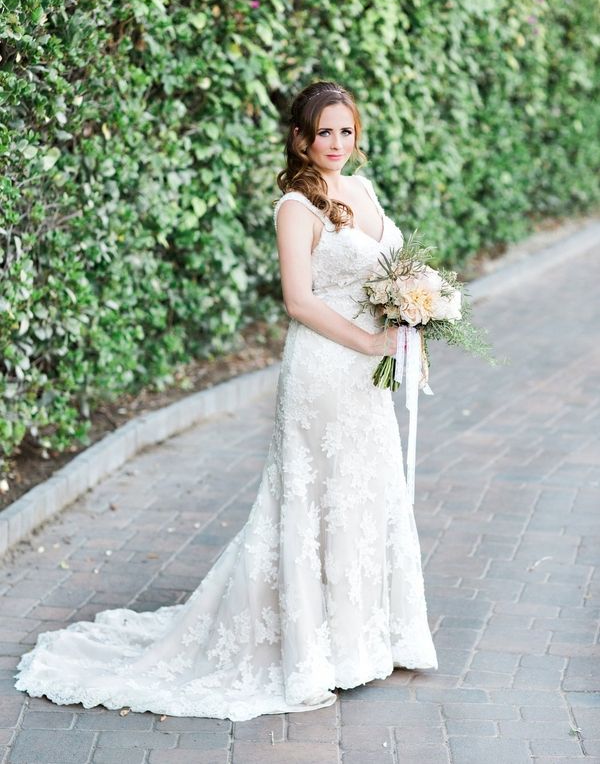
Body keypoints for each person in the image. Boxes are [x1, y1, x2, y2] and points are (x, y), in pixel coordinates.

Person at [14, 80, 437, 722]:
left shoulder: (364, 191)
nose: (336, 143)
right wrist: (372, 340)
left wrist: (414, 310)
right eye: (323, 132)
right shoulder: (297, 205)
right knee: (315, 498)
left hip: (365, 376)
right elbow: (299, 301)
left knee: (366, 492)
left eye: (345, 131)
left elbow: (383, 273)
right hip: (324, 368)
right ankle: (311, 653)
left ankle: (371, 639)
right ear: (300, 138)